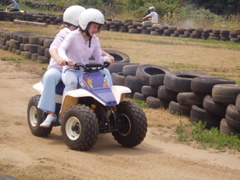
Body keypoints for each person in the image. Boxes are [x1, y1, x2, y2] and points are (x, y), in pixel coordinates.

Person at [38, 5, 86, 128]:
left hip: (75, 68)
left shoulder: (83, 34)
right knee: (49, 77)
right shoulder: (64, 33)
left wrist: (105, 54)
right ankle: (51, 114)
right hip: (59, 68)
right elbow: (53, 48)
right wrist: (59, 59)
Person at [58, 8, 114, 96]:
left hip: (85, 71)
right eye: (94, 26)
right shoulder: (72, 36)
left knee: (105, 72)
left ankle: (110, 101)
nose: (96, 30)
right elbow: (61, 49)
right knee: (72, 82)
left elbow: (99, 59)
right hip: (70, 70)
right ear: (85, 24)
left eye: (98, 27)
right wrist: (66, 59)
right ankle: (65, 109)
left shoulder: (95, 40)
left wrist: (107, 59)